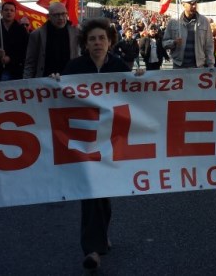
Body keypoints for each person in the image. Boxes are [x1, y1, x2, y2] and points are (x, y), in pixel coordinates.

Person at [56, 18, 144, 271]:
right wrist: (54, 81)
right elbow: (58, 98)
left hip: (112, 139)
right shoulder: (73, 68)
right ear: (85, 43)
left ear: (110, 42)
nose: (97, 43)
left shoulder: (118, 67)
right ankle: (92, 249)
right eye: (92, 39)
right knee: (91, 191)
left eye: (102, 38)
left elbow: (136, 99)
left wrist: (139, 79)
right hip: (84, 139)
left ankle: (100, 234)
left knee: (103, 192)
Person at [23, 2, 80, 78]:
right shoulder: (36, 35)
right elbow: (30, 63)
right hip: (45, 82)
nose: (61, 18)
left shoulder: (76, 32)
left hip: (70, 81)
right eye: (56, 15)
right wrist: (27, 84)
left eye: (63, 14)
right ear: (48, 17)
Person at [162, 0, 214, 69]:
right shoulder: (174, 21)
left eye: (195, 3)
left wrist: (211, 64)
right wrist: (174, 42)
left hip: (198, 67)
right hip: (179, 67)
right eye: (191, 4)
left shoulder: (204, 21)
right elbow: (164, 43)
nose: (194, 6)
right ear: (183, 5)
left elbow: (209, 45)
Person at [0, 2, 29, 81]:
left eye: (11, 10)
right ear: (1, 12)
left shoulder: (22, 31)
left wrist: (10, 58)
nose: (9, 12)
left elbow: (26, 51)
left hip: (17, 72)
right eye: (6, 10)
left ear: (15, 13)